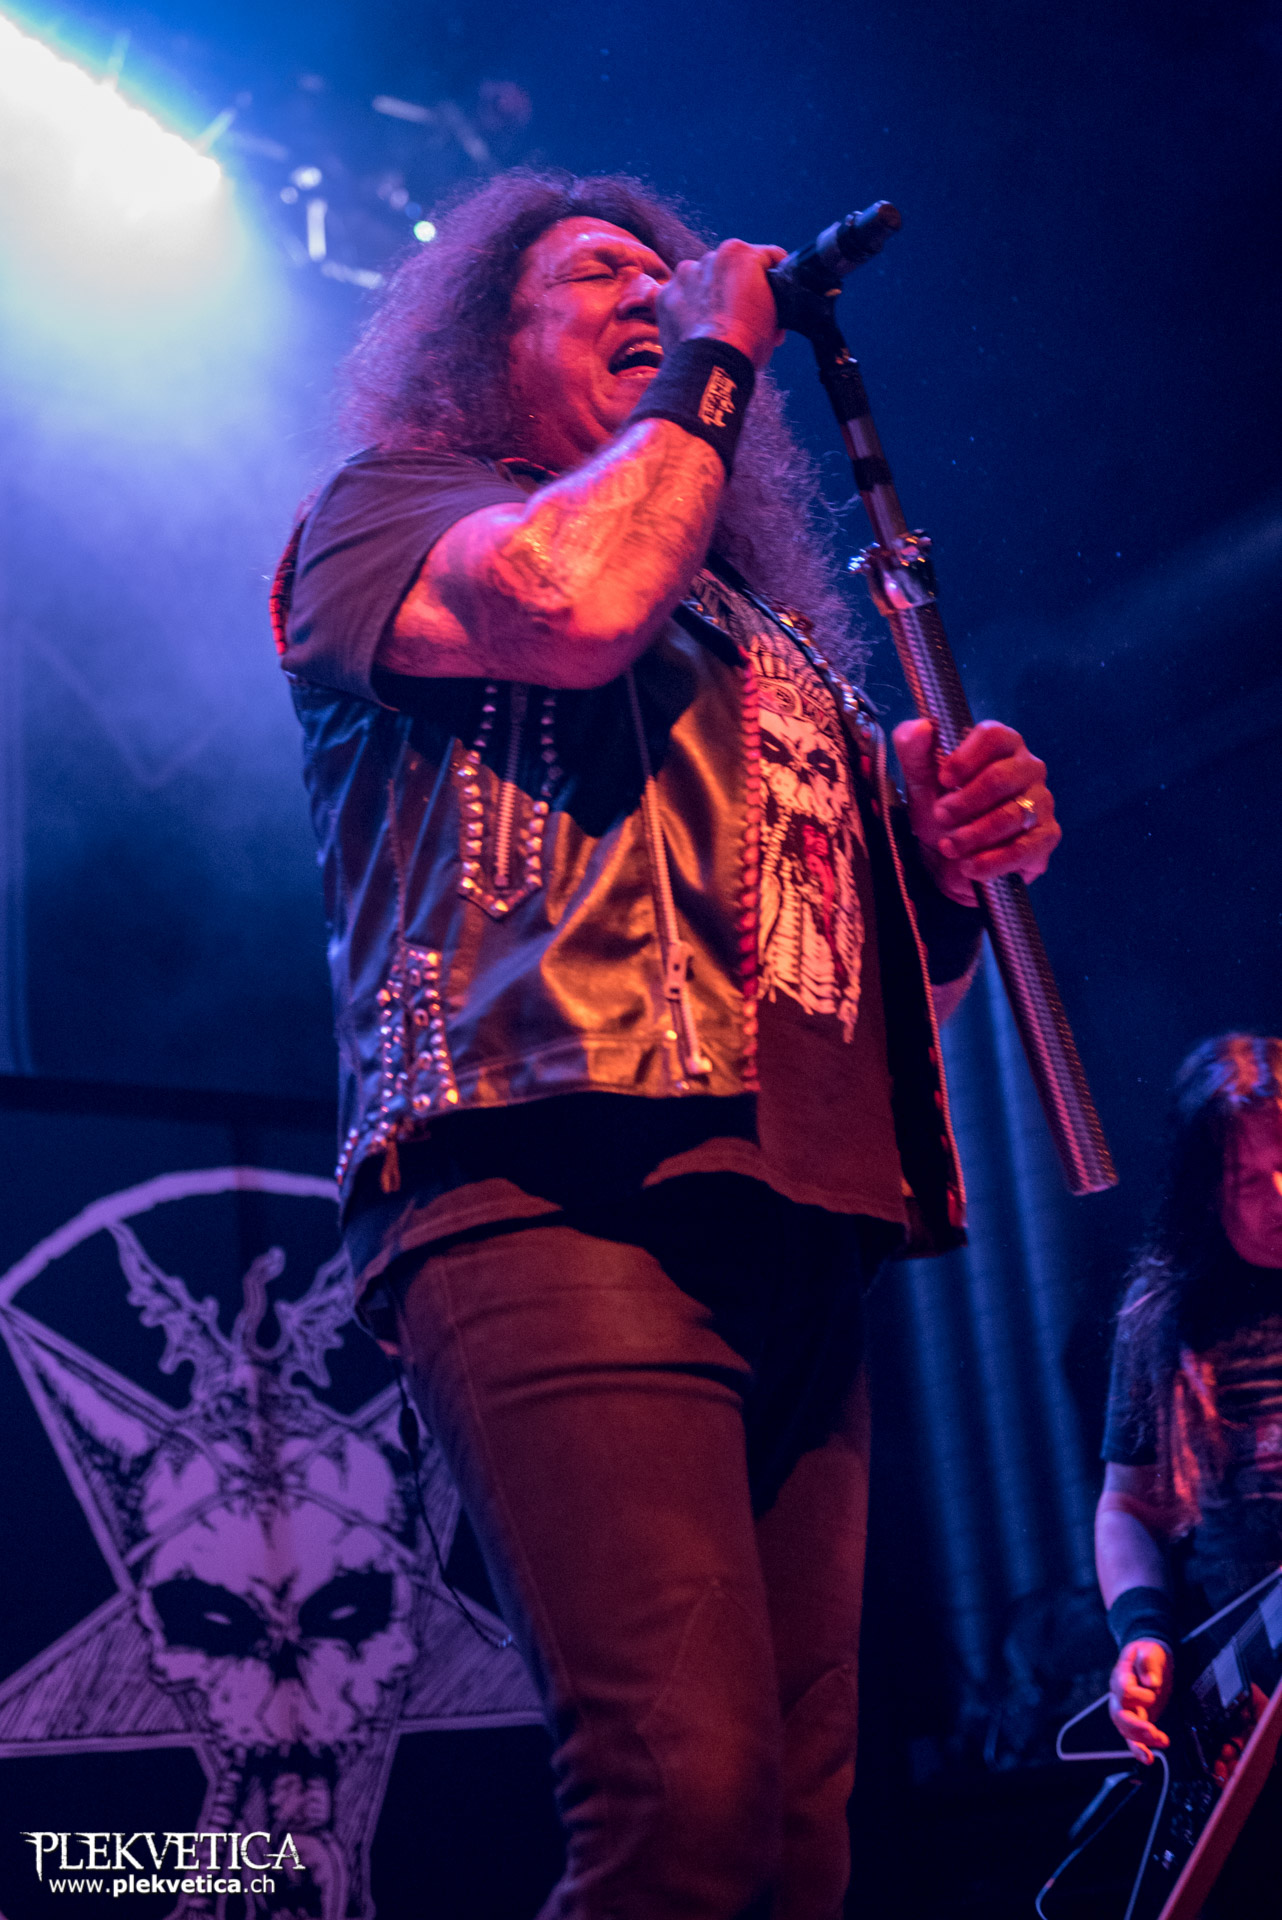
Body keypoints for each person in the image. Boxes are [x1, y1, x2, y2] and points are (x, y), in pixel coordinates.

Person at [273, 170, 1061, 1919]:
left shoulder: (762, 647)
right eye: (598, 273)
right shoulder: (392, 513)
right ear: (485, 342)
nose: (657, 288)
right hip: (549, 1186)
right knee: (680, 1807)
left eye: (670, 270)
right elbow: (568, 606)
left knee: (794, 1842)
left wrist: (936, 880)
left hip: (793, 1221)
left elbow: (857, 999)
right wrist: (715, 352)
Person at [1096, 1033, 1282, 1906]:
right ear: (1206, 1192)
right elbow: (1127, 1508)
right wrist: (1142, 1632)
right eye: (1247, 1181)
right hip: (1243, 1701)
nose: (1278, 1199)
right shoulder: (1160, 1320)